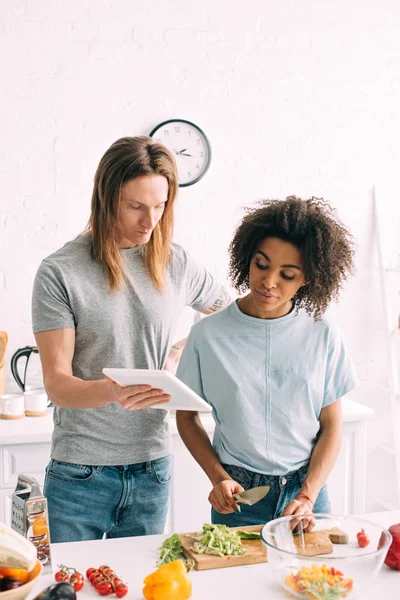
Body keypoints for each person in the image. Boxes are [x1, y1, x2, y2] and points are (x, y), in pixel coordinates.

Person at [32, 136, 230, 542]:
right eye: (136, 206)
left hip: (152, 468)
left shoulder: (177, 262)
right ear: (106, 198)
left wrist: (177, 352)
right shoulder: (60, 272)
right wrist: (113, 391)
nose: (150, 221)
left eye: (160, 206)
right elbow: (57, 384)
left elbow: (229, 316)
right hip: (79, 474)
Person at [176, 196, 358, 527]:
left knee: (313, 580)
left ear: (308, 279)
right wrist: (217, 477)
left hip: (305, 495)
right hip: (238, 495)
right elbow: (186, 418)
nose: (269, 282)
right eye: (261, 265)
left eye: (287, 274)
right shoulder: (207, 335)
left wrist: (307, 495)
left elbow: (331, 425)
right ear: (247, 258)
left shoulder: (323, 333)